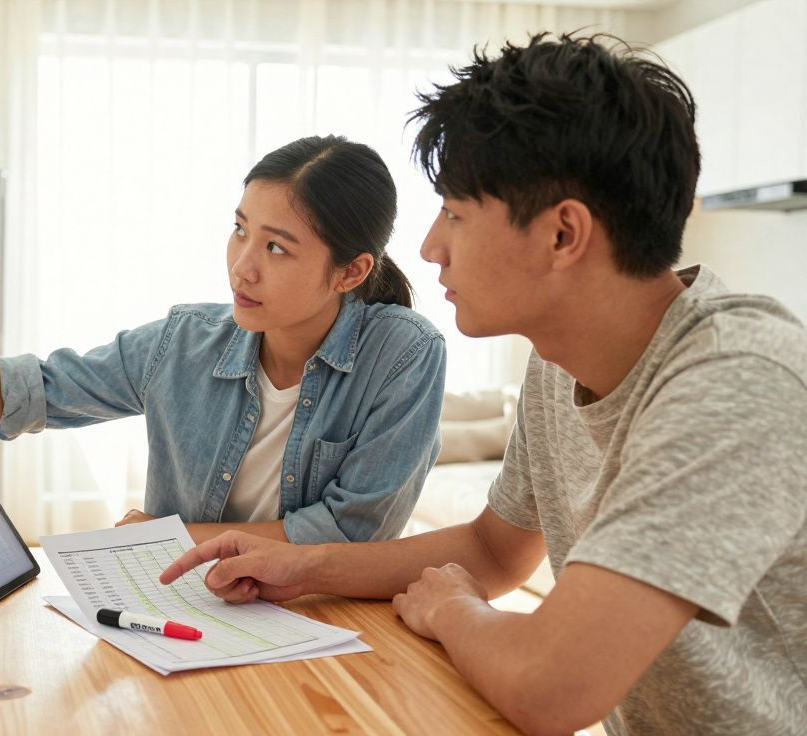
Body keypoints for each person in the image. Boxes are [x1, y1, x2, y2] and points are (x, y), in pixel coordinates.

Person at [159, 34, 807, 735]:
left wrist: (452, 610)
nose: (432, 246)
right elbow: (496, 552)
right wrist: (301, 565)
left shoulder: (737, 380)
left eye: (456, 214)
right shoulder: (561, 362)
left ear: (563, 235)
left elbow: (550, 688)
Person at [0, 135, 447, 545]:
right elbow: (23, 392)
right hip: (195, 611)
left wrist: (174, 540)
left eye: (277, 247)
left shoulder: (405, 354)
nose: (243, 263)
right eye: (240, 229)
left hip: (330, 623)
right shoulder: (187, 342)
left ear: (351, 271)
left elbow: (352, 533)